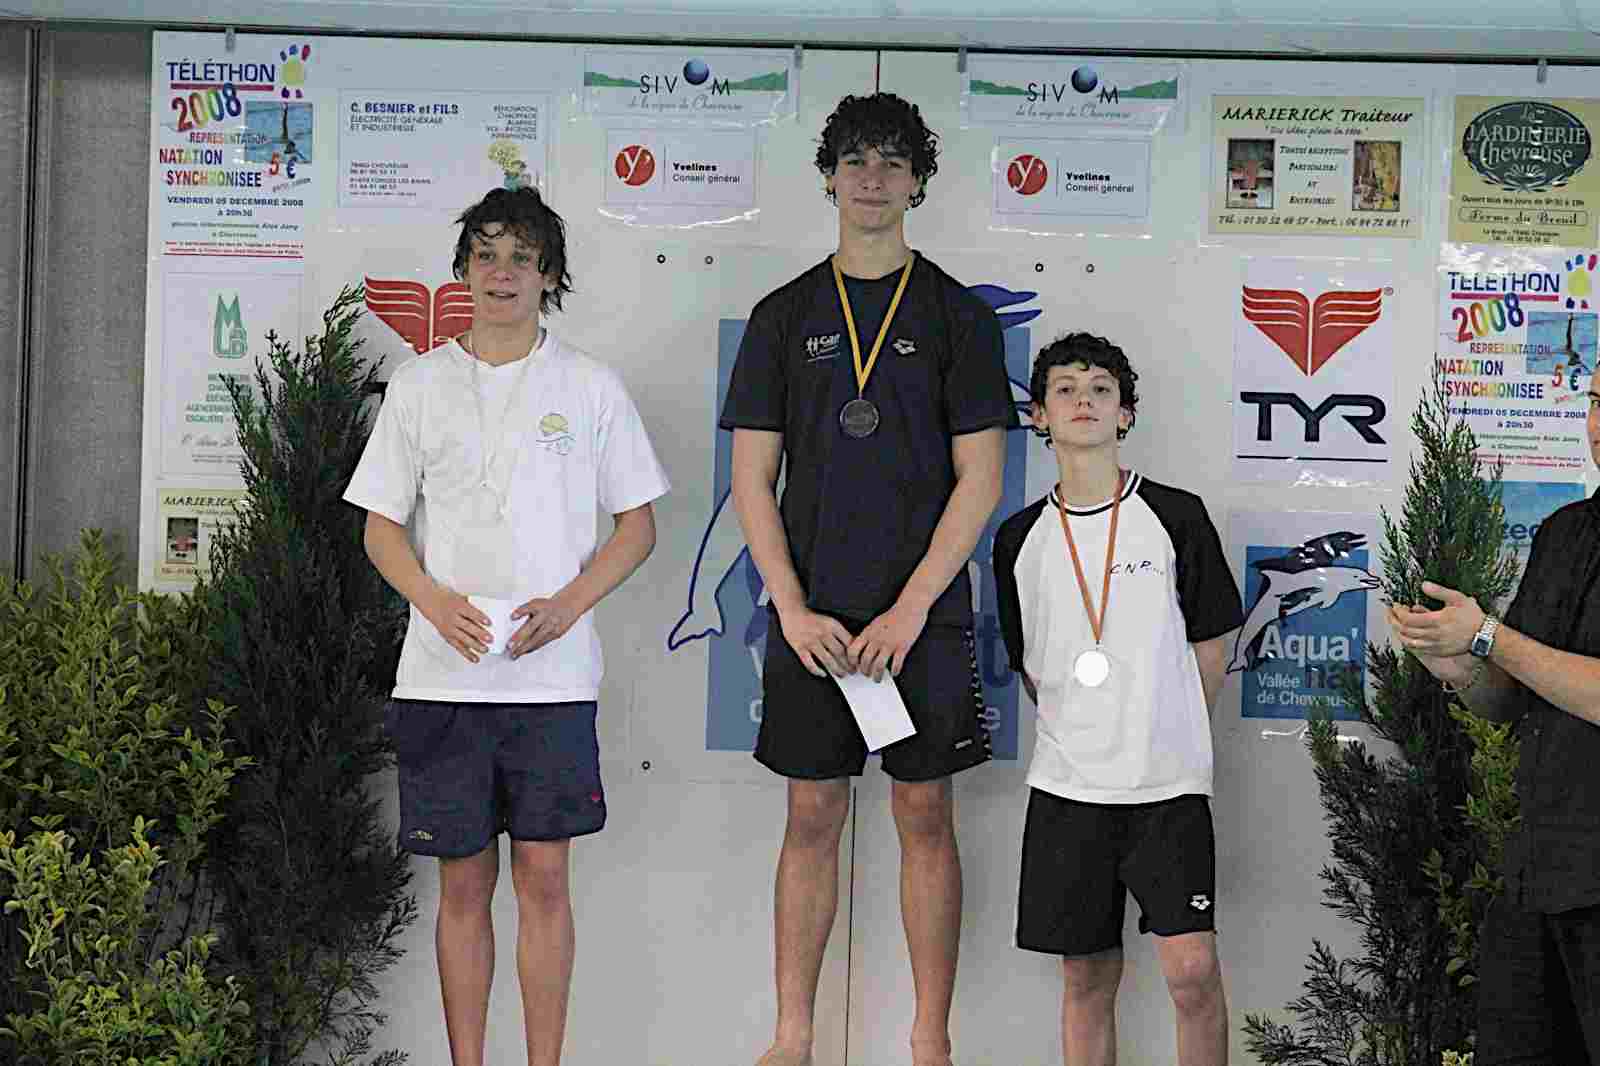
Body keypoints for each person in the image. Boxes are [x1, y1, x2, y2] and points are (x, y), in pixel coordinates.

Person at [719, 92, 1014, 1066]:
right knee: (811, 814)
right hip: (814, 616)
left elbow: (981, 479)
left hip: (920, 615)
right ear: (828, 177)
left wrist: (914, 605)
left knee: (925, 813)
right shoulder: (782, 316)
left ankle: (930, 1039)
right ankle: (793, 1034)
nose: (873, 178)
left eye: (893, 161)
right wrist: (792, 607)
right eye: (855, 160)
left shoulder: (959, 316)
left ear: (919, 181)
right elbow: (751, 481)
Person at [343, 186, 669, 1066]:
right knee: (463, 884)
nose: (501, 273)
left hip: (551, 683)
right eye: (485, 255)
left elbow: (637, 527)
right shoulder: (418, 385)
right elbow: (380, 528)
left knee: (546, 880)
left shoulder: (590, 386)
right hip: (442, 680)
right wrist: (430, 598)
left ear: (549, 276)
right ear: (462, 272)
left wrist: (568, 604)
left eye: (521, 257)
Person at [992, 333, 1242, 1066]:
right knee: (1085, 977)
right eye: (1065, 390)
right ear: (1039, 416)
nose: (1084, 401)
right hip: (1068, 790)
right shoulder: (1017, 538)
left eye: (1101, 389)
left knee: (1191, 972)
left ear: (1125, 414)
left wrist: (1165, 732)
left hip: (1167, 788)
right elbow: (1032, 666)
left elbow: (1212, 647)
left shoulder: (1176, 515)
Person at [1390, 382, 1600, 1065]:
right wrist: (1454, 664)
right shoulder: (1564, 532)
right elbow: (1512, 700)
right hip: (1538, 874)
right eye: (1597, 402)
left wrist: (1487, 635)